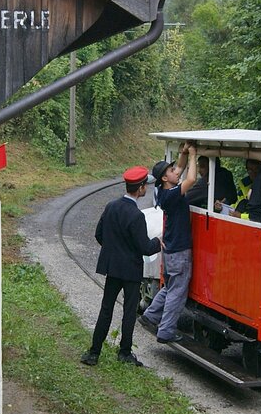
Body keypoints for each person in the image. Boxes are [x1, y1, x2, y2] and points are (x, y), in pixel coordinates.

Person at [81, 166, 163, 367]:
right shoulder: (136, 216)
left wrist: (113, 251)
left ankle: (94, 352)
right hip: (131, 270)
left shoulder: (111, 206)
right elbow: (144, 246)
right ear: (141, 188)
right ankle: (124, 352)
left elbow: (99, 234)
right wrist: (158, 242)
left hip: (112, 267)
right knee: (128, 311)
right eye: (145, 186)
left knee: (106, 309)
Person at [140, 142, 196, 345]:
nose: (176, 171)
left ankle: (151, 315)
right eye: (172, 171)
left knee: (170, 285)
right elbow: (190, 178)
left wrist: (182, 153)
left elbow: (180, 170)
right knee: (178, 291)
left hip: (172, 248)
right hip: (180, 249)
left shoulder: (164, 192)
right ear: (165, 178)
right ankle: (166, 330)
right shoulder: (173, 194)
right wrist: (193, 155)